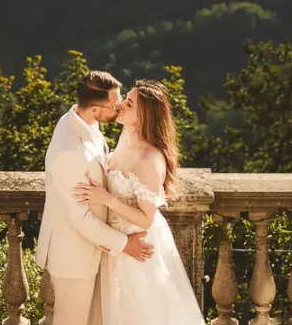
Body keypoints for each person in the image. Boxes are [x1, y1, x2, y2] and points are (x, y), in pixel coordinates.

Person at [76, 80, 208, 325]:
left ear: (144, 115)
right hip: (115, 244)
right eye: (124, 98)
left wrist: (107, 199)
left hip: (137, 245)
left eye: (129, 103)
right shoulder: (124, 141)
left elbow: (146, 218)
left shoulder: (150, 159)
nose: (119, 104)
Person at [38, 70, 155, 325]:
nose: (120, 106)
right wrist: (126, 243)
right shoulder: (69, 151)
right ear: (95, 109)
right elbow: (79, 218)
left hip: (97, 249)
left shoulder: (82, 121)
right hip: (74, 255)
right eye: (115, 104)